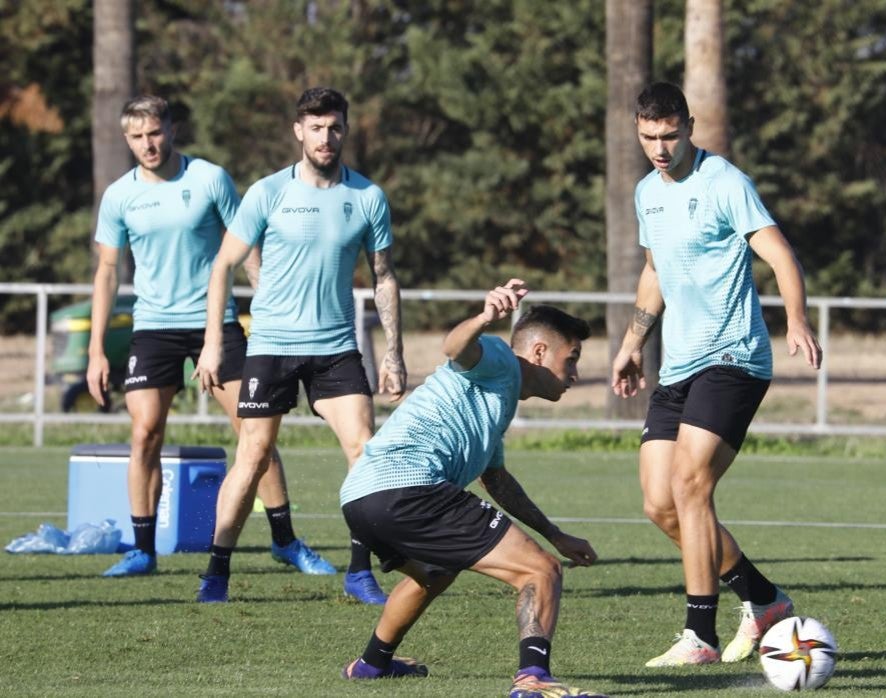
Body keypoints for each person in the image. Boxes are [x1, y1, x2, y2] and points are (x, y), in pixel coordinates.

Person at [610, 82, 824, 666]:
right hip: (677, 364)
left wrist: (797, 319)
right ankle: (765, 601)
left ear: (689, 125)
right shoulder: (646, 194)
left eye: (670, 135)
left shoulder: (726, 182)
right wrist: (633, 343)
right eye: (649, 136)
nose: (660, 147)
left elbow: (780, 254)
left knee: (690, 485)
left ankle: (698, 636)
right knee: (660, 504)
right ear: (638, 130)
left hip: (733, 357)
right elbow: (655, 272)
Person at [88, 95, 330, 579]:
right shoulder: (119, 195)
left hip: (214, 324)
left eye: (154, 133)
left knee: (254, 432)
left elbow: (248, 245)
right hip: (152, 328)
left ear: (171, 129)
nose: (147, 144)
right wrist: (96, 350)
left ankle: (285, 541)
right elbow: (108, 271)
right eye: (136, 137)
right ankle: (142, 550)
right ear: (126, 140)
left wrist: (265, 309)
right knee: (144, 434)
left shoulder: (209, 179)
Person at [338, 281, 604, 698]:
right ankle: (533, 679)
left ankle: (371, 665)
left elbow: (496, 479)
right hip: (409, 488)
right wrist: (484, 318)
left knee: (435, 573)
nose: (575, 374)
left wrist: (554, 533)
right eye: (571, 360)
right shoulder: (500, 359)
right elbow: (454, 347)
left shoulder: (498, 399)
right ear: (538, 352)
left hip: (360, 498)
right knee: (541, 570)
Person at [193, 87, 405, 605]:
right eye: (315, 127)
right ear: (298, 131)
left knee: (365, 450)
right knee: (254, 453)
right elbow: (223, 264)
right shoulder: (267, 192)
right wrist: (211, 343)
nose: (325, 137)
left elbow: (383, 276)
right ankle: (216, 571)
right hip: (271, 344)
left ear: (345, 130)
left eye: (334, 127)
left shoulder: (367, 197)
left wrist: (394, 353)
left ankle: (359, 571)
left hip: (336, 346)